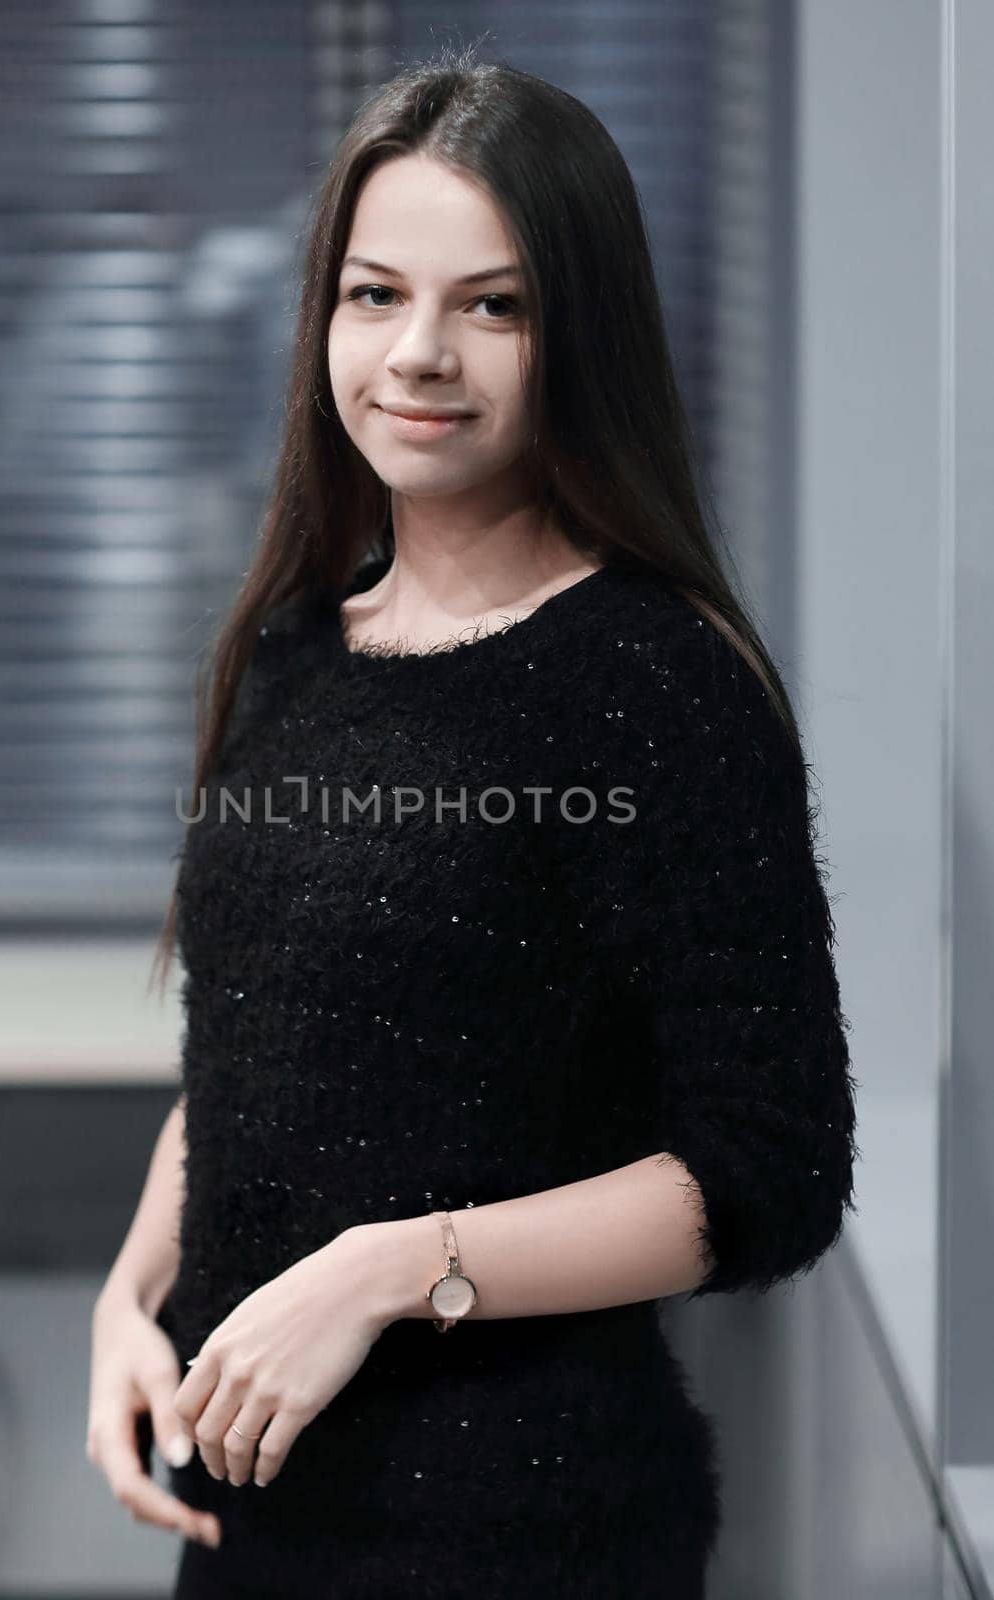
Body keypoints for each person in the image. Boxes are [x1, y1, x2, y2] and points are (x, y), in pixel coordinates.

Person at [86, 47, 860, 1599]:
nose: (418, 354)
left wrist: (389, 1272)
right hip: (259, 1506)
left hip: (523, 1526)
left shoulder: (652, 682)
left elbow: (770, 1169)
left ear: (579, 336)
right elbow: (262, 1036)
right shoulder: (296, 645)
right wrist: (135, 1287)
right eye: (374, 296)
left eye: (491, 306)